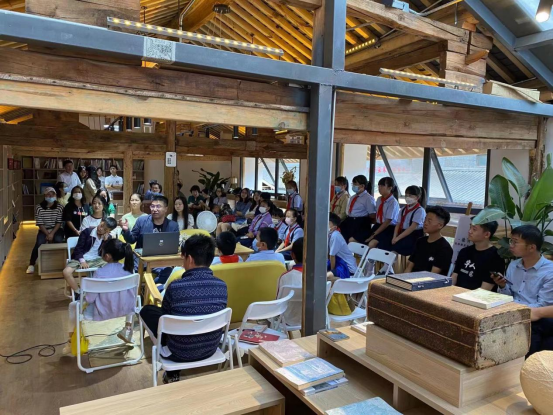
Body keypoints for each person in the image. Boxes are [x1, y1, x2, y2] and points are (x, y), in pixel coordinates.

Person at [139, 235, 228, 384]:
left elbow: (166, 319)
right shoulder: (222, 286)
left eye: (183, 257)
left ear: (190, 259)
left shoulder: (175, 287)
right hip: (210, 348)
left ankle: (172, 372)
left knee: (148, 311)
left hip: (178, 352)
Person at [64, 238, 137, 354]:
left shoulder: (100, 273)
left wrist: (83, 295)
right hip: (126, 309)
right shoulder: (130, 270)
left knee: (73, 306)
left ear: (107, 256)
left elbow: (90, 299)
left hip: (104, 311)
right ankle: (127, 329)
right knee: (132, 299)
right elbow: (132, 294)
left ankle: (71, 342)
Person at [491, 225, 553, 356]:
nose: (511, 245)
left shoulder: (549, 272)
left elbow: (542, 305)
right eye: (511, 241)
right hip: (511, 311)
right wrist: (502, 286)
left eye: (515, 242)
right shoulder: (514, 265)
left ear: (531, 247)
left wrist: (513, 311)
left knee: (531, 331)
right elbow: (508, 296)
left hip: (534, 317)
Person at [62, 217, 117, 295]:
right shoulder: (87, 232)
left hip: (96, 259)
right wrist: (82, 261)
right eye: (101, 225)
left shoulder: (108, 238)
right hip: (80, 258)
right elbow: (78, 249)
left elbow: (105, 254)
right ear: (101, 222)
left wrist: (105, 241)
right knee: (66, 272)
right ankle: (79, 292)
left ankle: (100, 290)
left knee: (112, 267)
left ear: (108, 231)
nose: (101, 229)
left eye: (105, 229)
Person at [452, 220, 504, 291]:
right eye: (470, 227)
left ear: (487, 234)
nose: (469, 231)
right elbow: (455, 275)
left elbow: (484, 290)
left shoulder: (496, 256)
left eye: (474, 229)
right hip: (456, 293)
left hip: (477, 296)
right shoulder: (464, 251)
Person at [404, 206, 453, 276]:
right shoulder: (420, 241)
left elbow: (432, 275)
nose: (425, 223)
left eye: (429, 221)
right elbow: (409, 267)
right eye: (425, 219)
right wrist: (403, 279)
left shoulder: (445, 248)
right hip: (410, 279)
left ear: (440, 225)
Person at [26, 187, 65, 274]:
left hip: (56, 229)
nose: (50, 196)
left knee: (58, 240)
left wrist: (52, 234)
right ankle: (31, 264)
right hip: (44, 230)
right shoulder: (39, 207)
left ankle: (55, 262)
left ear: (55, 195)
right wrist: (48, 234)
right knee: (39, 243)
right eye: (48, 194)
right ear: (44, 196)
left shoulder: (60, 207)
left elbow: (59, 222)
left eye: (52, 194)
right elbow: (40, 223)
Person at [276, 237, 304, 329]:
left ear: (292, 255)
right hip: (315, 319)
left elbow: (278, 302)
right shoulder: (320, 276)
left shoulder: (284, 277)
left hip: (288, 320)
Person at [391, 186, 426, 256]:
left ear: (417, 197)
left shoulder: (419, 210)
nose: (407, 197)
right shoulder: (403, 209)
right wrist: (394, 237)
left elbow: (412, 227)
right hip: (403, 233)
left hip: (414, 235)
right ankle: (389, 262)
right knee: (391, 246)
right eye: (406, 195)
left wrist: (398, 238)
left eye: (410, 195)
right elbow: (398, 224)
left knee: (398, 248)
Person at [339, 175, 376, 243]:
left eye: (355, 184)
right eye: (353, 184)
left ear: (362, 186)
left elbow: (372, 215)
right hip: (350, 221)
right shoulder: (353, 197)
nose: (353, 186)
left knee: (351, 240)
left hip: (361, 223)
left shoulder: (368, 198)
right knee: (340, 236)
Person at [367, 177, 400, 250]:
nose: (379, 188)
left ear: (390, 188)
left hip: (388, 228)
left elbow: (388, 221)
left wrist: (374, 234)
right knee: (364, 240)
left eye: (382, 186)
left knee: (372, 243)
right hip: (378, 225)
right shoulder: (379, 199)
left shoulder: (393, 202)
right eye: (379, 186)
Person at [327, 213, 357, 279]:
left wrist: (332, 271)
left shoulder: (335, 236)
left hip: (347, 268)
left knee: (326, 276)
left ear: (334, 227)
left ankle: (339, 280)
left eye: (328, 223)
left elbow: (332, 256)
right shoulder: (330, 234)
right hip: (338, 263)